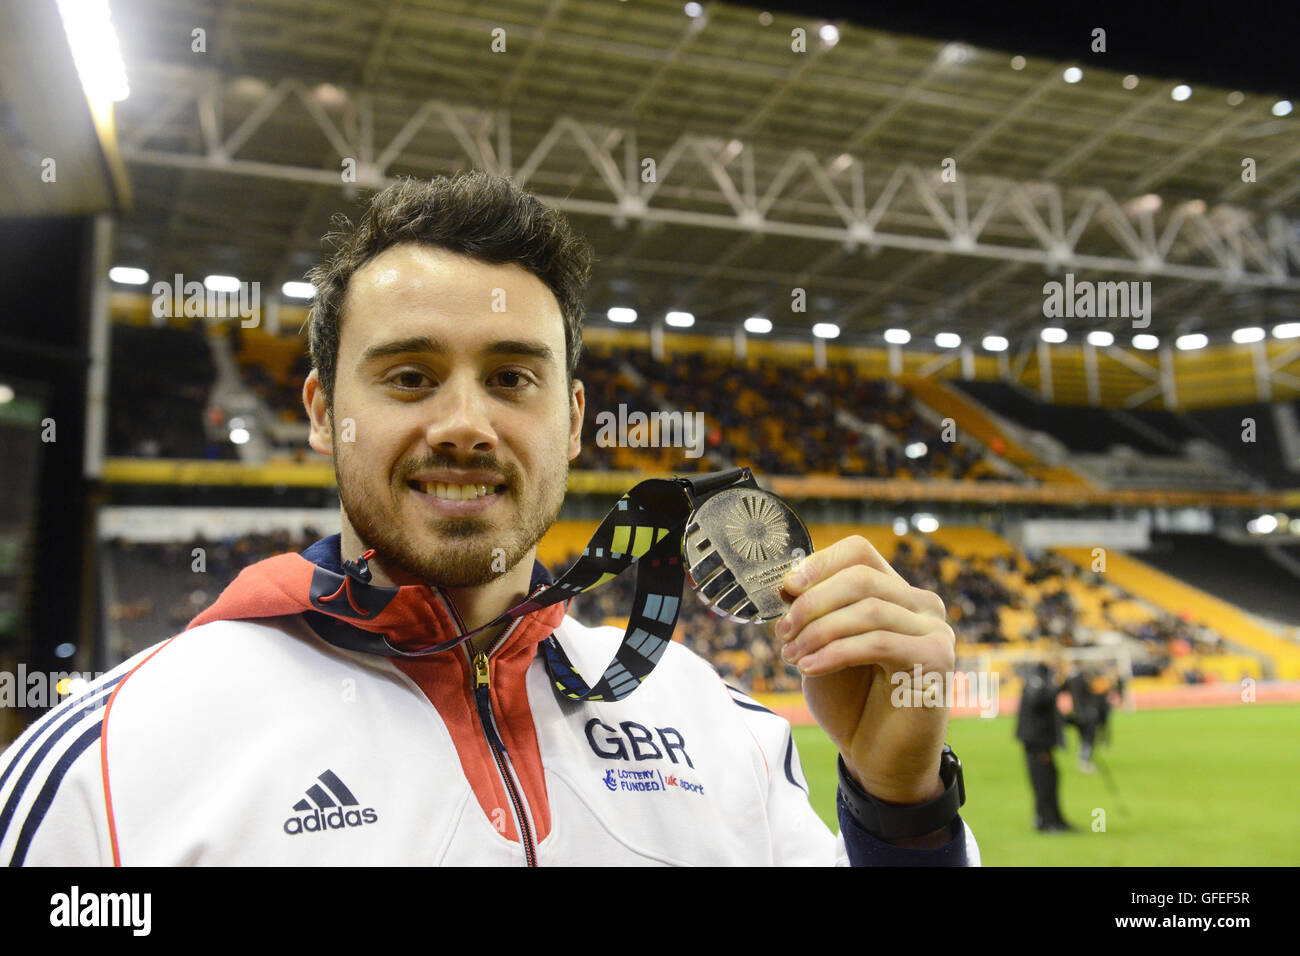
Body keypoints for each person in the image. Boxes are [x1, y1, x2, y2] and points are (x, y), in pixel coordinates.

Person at [0, 172, 977, 866]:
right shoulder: (111, 761)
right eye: (411, 375)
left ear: (575, 419)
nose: (464, 423)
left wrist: (901, 814)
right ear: (317, 411)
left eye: (512, 375)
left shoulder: (720, 731)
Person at [1015, 661, 1073, 832]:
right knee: (1043, 783)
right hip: (1037, 744)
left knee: (1051, 780)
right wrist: (1056, 688)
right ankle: (1046, 822)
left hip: (1041, 742)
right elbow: (1038, 701)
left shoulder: (1039, 682)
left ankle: (1056, 820)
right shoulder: (1036, 682)